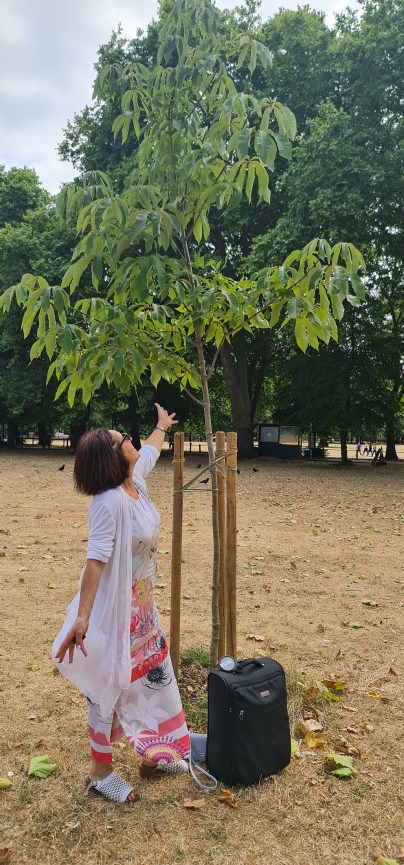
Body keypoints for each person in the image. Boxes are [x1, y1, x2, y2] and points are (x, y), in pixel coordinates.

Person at [53, 404, 190, 803]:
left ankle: (154, 753)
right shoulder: (108, 502)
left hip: (142, 609)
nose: (130, 439)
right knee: (107, 685)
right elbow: (95, 561)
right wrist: (82, 618)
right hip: (114, 612)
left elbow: (149, 452)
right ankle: (100, 773)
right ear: (113, 458)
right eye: (122, 439)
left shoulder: (136, 483)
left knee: (153, 676)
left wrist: (161, 427)